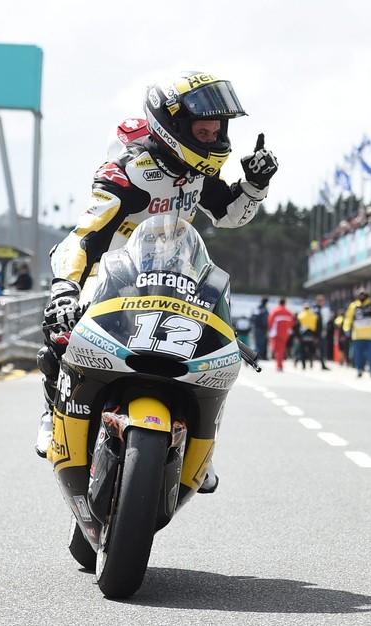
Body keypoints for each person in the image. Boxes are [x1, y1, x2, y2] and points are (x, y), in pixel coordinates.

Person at [34, 70, 279, 482]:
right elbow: (84, 236)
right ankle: (51, 414)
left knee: (211, 354)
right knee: (60, 331)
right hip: (112, 275)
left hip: (172, 275)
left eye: (218, 130)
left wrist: (253, 186)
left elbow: (227, 216)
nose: (215, 140)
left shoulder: (198, 170)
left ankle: (197, 438)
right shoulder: (126, 171)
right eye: (204, 131)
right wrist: (64, 289)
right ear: (173, 128)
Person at [343, 288, 371, 378]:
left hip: (370, 335)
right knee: (358, 355)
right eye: (360, 295)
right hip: (357, 335)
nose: (361, 296)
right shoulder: (353, 306)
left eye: (363, 294)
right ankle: (359, 370)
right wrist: (347, 329)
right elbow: (348, 318)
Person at [267, 298, 295, 372]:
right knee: (281, 350)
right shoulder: (289, 312)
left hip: (276, 334)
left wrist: (270, 331)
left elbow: (270, 322)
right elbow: (292, 323)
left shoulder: (275, 311)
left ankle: (279, 365)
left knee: (277, 350)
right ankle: (280, 364)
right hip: (285, 334)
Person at [294, 302, 318, 369]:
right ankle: (311, 363)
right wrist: (316, 337)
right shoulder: (314, 316)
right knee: (311, 351)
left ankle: (303, 365)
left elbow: (296, 327)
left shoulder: (300, 315)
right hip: (311, 336)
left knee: (302, 351)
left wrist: (296, 337)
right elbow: (317, 327)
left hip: (302, 336)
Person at [312, 294, 330, 370]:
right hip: (317, 333)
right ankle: (310, 363)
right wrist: (315, 335)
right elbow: (315, 323)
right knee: (316, 349)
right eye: (321, 301)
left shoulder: (324, 310)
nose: (322, 302)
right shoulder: (315, 310)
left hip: (323, 333)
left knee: (323, 349)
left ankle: (323, 364)